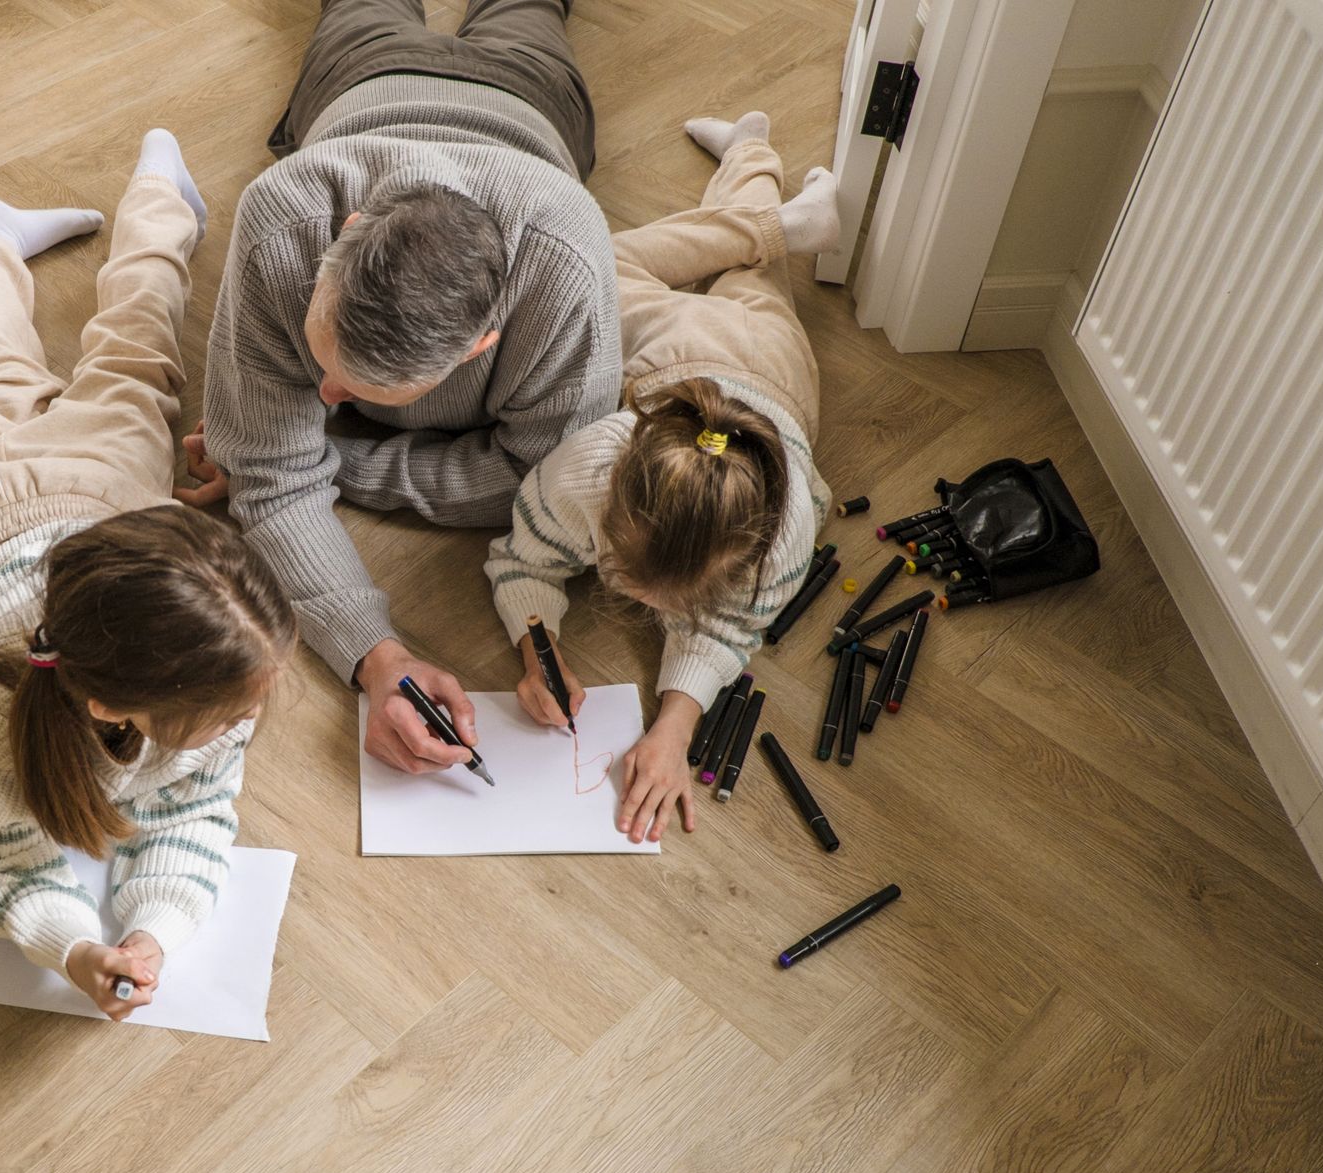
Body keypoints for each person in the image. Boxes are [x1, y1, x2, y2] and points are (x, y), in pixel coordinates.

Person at [182, 0, 621, 778]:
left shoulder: (568, 268)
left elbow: (542, 482)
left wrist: (317, 461)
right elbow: (274, 482)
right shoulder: (280, 220)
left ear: (481, 346)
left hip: (531, 104)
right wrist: (376, 658)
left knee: (529, 9)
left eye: (351, 390)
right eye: (324, 360)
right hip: (364, 82)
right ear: (347, 230)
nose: (320, 393)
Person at [0, 131, 297, 1021]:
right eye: (237, 709)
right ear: (112, 705)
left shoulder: (207, 675)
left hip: (101, 502)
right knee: (30, 367)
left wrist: (153, 927)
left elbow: (196, 812)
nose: (251, 718)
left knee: (95, 354)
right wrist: (77, 946)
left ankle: (155, 183)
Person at [484, 111, 840, 842]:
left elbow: (732, 625)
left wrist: (675, 729)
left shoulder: (784, 538)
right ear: (611, 491)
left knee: (756, 276)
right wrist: (535, 646)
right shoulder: (592, 459)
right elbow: (524, 555)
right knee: (596, 260)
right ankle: (762, 189)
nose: (619, 591)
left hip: (773, 370)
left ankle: (753, 153)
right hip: (666, 362)